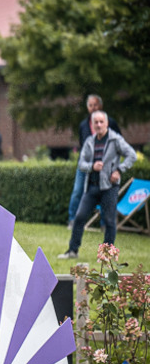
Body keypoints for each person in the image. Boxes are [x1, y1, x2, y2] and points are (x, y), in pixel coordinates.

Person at [58, 111, 136, 259]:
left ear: (106, 123)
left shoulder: (115, 139)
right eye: (96, 122)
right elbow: (81, 163)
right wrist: (92, 166)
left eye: (101, 122)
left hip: (109, 187)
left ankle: (106, 255)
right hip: (92, 187)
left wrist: (119, 170)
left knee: (109, 221)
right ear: (93, 125)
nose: (99, 125)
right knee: (80, 217)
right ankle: (72, 251)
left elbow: (132, 155)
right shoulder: (89, 141)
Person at [67, 94, 123, 228]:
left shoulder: (111, 123)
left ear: (101, 106)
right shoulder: (83, 125)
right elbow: (83, 145)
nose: (93, 108)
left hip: (105, 166)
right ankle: (72, 220)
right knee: (77, 191)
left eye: (96, 105)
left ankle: (105, 224)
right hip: (87, 165)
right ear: (88, 108)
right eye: (91, 105)